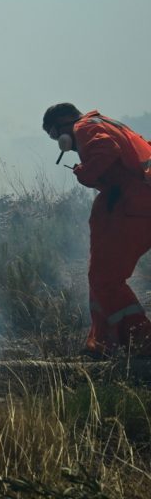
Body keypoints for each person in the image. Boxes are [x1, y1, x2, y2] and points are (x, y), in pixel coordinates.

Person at [42, 103, 151, 357]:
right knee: (99, 275)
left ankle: (142, 342)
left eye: (54, 134)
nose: (59, 141)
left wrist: (86, 173)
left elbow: (106, 150)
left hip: (134, 205)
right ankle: (103, 341)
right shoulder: (103, 122)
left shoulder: (84, 127)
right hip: (135, 203)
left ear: (64, 123)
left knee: (105, 279)